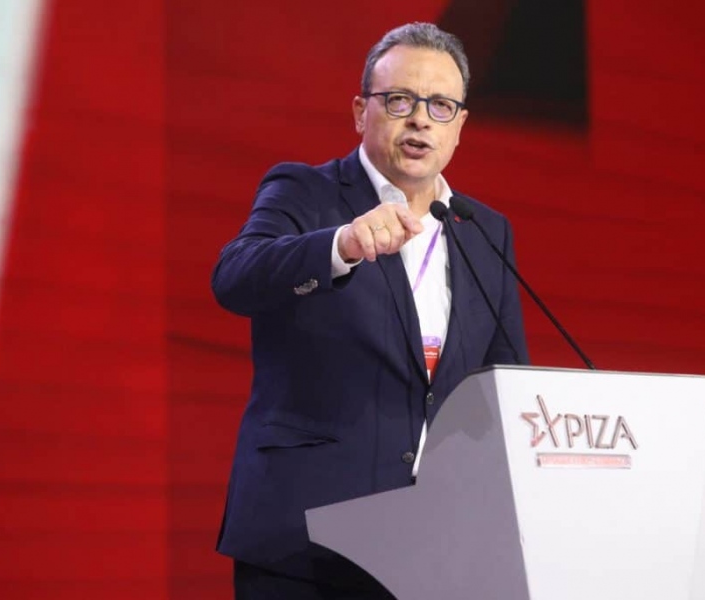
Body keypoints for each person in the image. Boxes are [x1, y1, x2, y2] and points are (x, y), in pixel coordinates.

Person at [212, 21, 529, 599]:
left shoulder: (484, 230)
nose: (420, 120)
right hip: (306, 540)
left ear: (459, 126)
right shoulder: (304, 192)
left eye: (440, 106)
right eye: (400, 100)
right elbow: (235, 277)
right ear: (362, 112)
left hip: (435, 546)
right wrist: (341, 245)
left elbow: (505, 381)